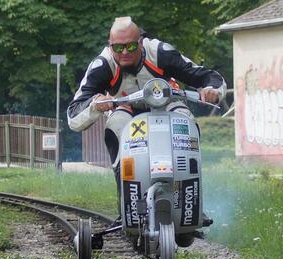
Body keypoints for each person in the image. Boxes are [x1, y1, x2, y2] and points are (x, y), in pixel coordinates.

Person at [67, 16, 226, 225]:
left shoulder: (161, 52)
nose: (124, 53)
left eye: (131, 46)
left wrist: (212, 90)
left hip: (167, 105)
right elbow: (73, 115)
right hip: (125, 110)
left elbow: (207, 76)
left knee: (185, 120)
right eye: (118, 48)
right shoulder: (102, 65)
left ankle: (192, 202)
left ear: (141, 42)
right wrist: (96, 104)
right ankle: (126, 206)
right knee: (115, 126)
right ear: (110, 46)